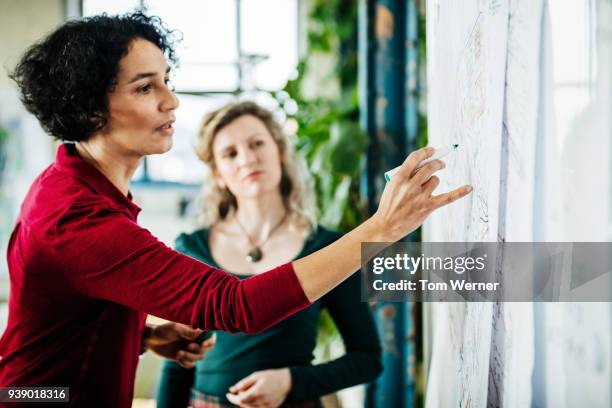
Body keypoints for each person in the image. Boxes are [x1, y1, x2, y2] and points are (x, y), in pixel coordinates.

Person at [0, 12, 471, 407]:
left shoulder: (74, 187)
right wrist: (383, 227)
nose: (172, 100)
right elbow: (235, 306)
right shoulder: (78, 218)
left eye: (166, 80)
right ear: (89, 109)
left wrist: (140, 337)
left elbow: (69, 319)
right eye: (145, 88)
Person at [156, 101, 383, 408]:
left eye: (257, 144)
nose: (248, 159)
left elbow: (367, 358)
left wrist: (292, 381)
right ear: (218, 173)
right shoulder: (191, 249)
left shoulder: (327, 248)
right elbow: (177, 362)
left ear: (279, 151)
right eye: (230, 153)